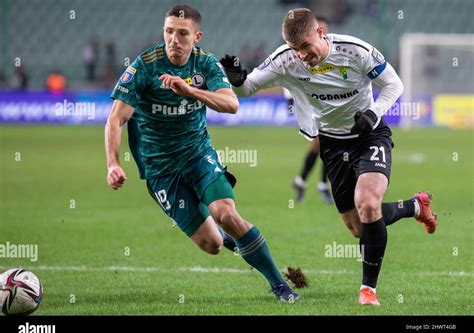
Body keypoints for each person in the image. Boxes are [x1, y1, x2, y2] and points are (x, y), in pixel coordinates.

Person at [220, 8, 437, 306]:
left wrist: (373, 112)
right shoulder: (285, 59)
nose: (302, 56)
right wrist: (235, 77)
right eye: (296, 49)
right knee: (358, 227)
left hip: (369, 135)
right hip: (333, 146)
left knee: (368, 203)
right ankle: (414, 206)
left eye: (306, 47)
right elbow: (247, 89)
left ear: (320, 32)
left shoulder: (354, 51)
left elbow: (394, 84)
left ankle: (368, 291)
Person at [105, 5, 299, 302]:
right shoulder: (144, 67)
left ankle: (279, 286)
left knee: (225, 212)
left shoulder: (206, 65)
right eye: (169, 31)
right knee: (212, 244)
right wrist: (113, 164)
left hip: (198, 155)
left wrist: (190, 91)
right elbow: (116, 118)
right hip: (160, 171)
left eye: (182, 33)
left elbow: (232, 105)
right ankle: (224, 236)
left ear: (197, 36)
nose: (174, 39)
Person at [287, 17, 333, 204]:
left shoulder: (330, 53)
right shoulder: (302, 55)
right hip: (312, 108)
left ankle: (302, 181)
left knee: (322, 146)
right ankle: (321, 184)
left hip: (326, 108)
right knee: (327, 144)